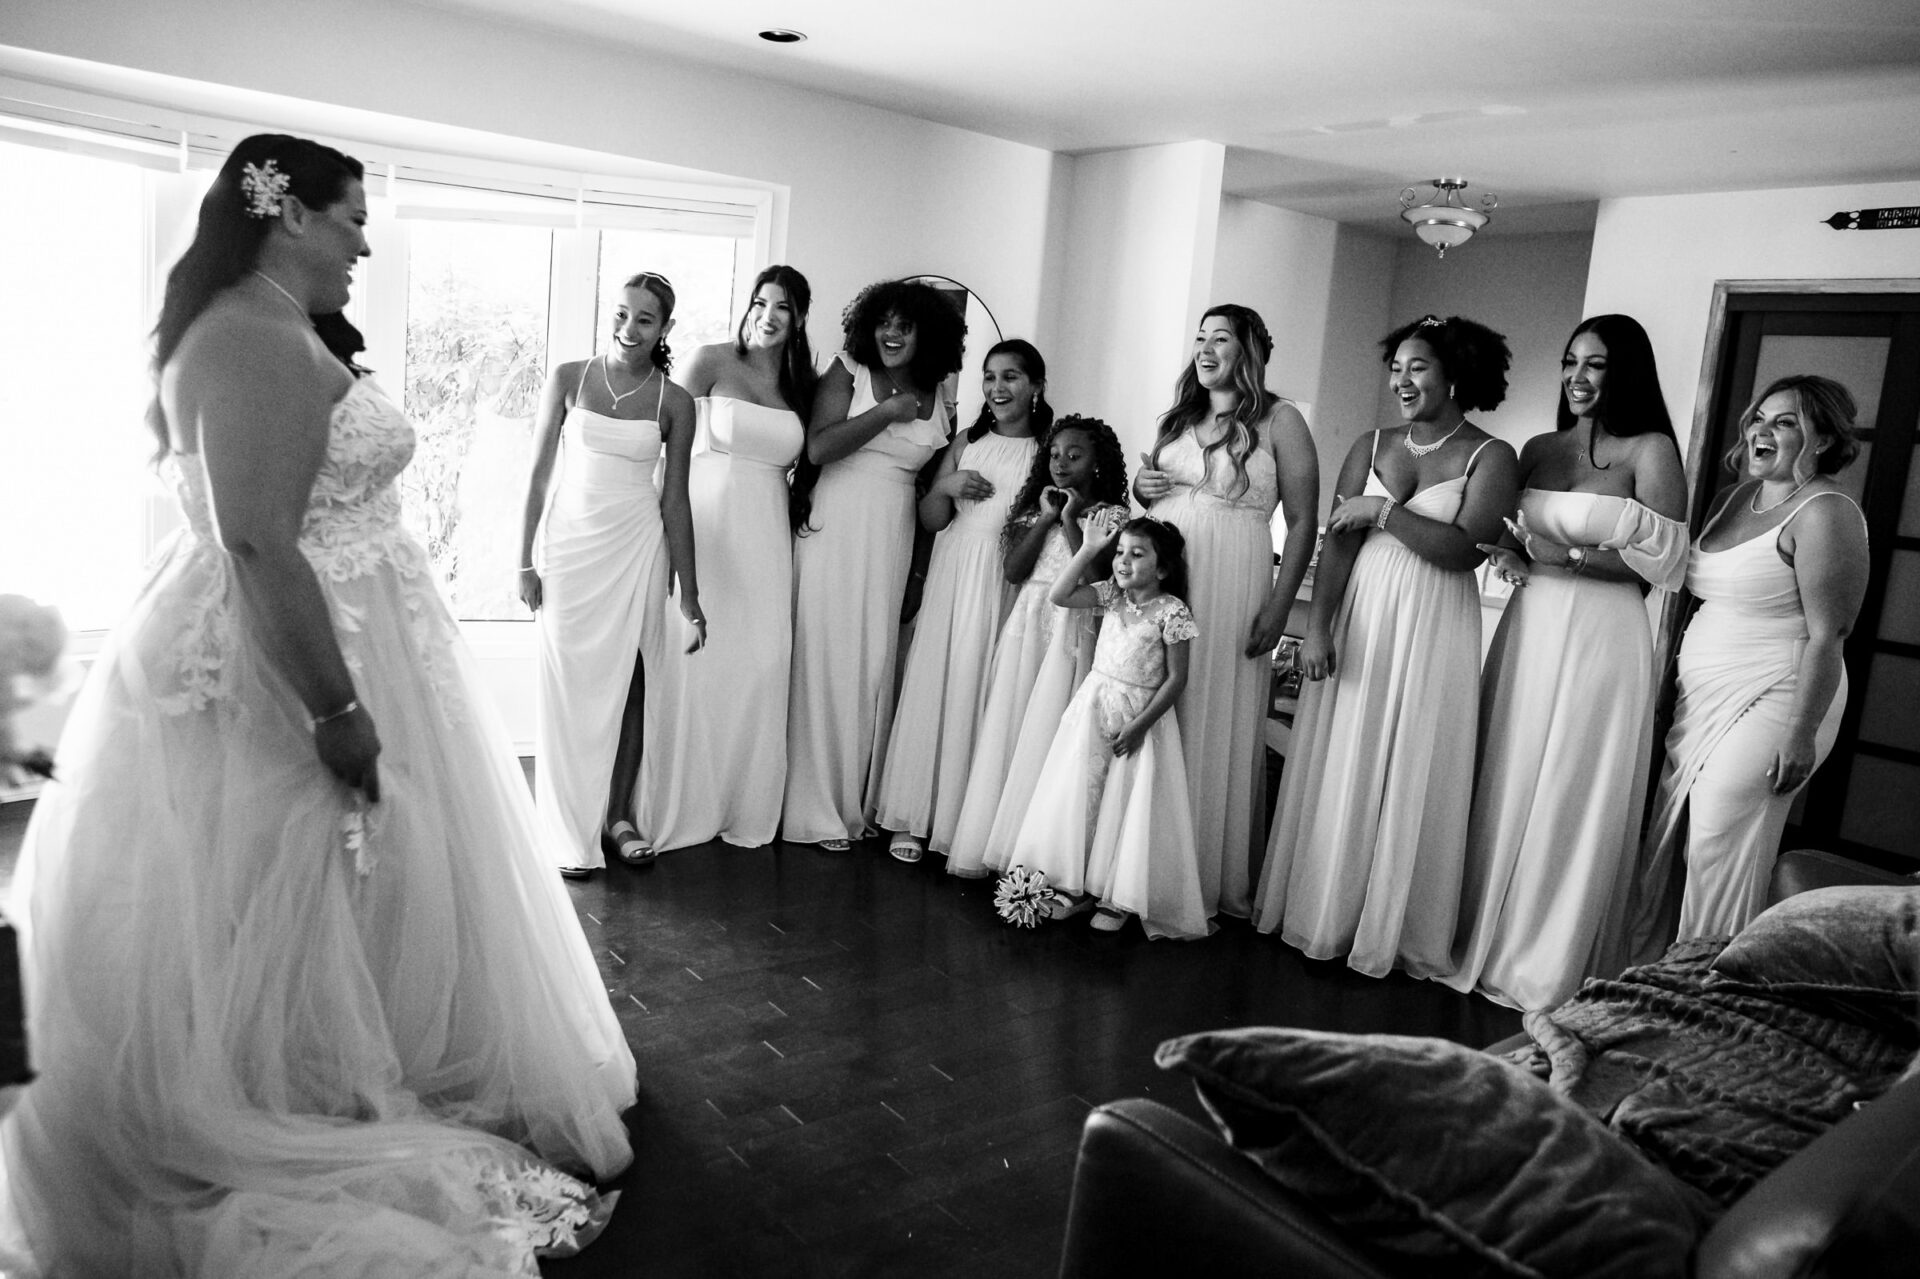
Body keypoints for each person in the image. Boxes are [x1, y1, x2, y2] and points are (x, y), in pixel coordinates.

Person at [0, 135, 633, 1274]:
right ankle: (298, 1094)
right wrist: (335, 708)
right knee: (289, 881)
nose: (363, 241)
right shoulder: (245, 332)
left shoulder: (278, 327)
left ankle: (361, 1066)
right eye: (351, 219)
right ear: (286, 213)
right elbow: (255, 538)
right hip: (294, 657)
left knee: (363, 884)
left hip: (363, 627)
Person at [1253, 314, 1518, 979]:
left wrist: (1384, 513)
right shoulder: (1369, 443)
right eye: (1395, 367)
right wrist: (1318, 628)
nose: (1400, 380)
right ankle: (1325, 909)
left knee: (1414, 761)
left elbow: (1462, 552)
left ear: (1455, 374)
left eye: (1417, 367)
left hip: (1434, 622)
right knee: (1348, 752)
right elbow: (1336, 540)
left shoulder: (1491, 455)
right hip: (1364, 614)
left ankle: (1395, 925)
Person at [1446, 315, 1688, 1010]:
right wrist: (1510, 552)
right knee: (1510, 765)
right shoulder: (1537, 448)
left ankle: (1548, 952)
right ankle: (1479, 927)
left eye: (1596, 365)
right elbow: (1497, 524)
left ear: (1626, 373)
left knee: (1572, 783)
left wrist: (1571, 557)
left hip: (1603, 635)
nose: (1577, 378)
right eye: (1569, 362)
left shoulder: (1651, 451)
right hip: (1533, 623)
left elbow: (1666, 566)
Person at [1636, 374, 1868, 943]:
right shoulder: (1734, 498)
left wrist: (1801, 733)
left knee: (1723, 834)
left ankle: (1715, 986)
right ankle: (1655, 975)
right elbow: (1696, 600)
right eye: (1759, 419)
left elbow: (1829, 634)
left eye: (1786, 422)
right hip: (1703, 695)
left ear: (1821, 439)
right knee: (1678, 834)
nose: (1763, 431)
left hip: (1780, 693)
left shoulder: (1825, 512)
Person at [1134, 304, 1318, 919]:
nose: (1205, 349)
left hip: (1234, 574)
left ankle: (1197, 874)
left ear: (1249, 351)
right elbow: (1155, 484)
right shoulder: (1181, 417)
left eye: (1221, 339)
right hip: (1170, 567)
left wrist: (1279, 603)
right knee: (1151, 695)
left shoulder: (1281, 419)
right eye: (1200, 338)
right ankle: (1135, 863)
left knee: (1210, 709)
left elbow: (1302, 523)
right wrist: (1145, 489)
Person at [518, 271, 703, 875]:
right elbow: (540, 474)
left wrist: (691, 594)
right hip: (571, 549)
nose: (629, 328)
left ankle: (618, 816)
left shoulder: (674, 401)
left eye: (645, 319)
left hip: (637, 550)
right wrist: (524, 559)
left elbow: (675, 498)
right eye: (622, 313)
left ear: (665, 328)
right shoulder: (569, 377)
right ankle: (566, 824)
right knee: (569, 684)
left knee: (631, 682)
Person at [636, 265, 815, 853]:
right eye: (761, 302)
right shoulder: (709, 361)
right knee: (699, 666)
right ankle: (682, 805)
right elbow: (665, 450)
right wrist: (663, 535)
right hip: (707, 526)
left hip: (766, 538)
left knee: (761, 665)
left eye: (783, 308)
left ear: (798, 319)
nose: (768, 315)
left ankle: (742, 804)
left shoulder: (800, 384)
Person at [781, 279, 965, 850]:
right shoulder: (849, 371)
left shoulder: (943, 396)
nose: (890, 333)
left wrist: (917, 572)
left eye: (904, 325)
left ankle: (856, 802)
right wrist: (886, 411)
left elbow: (930, 490)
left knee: (873, 667)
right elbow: (818, 447)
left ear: (926, 333)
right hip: (837, 524)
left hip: (895, 535)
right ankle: (813, 810)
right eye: (883, 322)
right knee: (825, 661)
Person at [873, 339, 1047, 863]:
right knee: (942, 682)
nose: (998, 388)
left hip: (1007, 578)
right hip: (955, 572)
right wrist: (945, 484)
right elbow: (931, 519)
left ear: (1036, 386)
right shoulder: (967, 440)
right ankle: (916, 816)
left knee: (989, 687)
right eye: (990, 377)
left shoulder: (1048, 449)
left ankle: (970, 822)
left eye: (1012, 377)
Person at [1006, 514, 1208, 939]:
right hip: (1093, 709)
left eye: (1137, 554)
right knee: (1084, 794)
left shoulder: (1172, 612)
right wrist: (1089, 548)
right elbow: (1060, 596)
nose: (1123, 562)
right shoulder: (1111, 597)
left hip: (1139, 717)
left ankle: (1116, 896)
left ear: (1163, 568)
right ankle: (1076, 884)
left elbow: (1177, 679)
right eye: (1120, 553)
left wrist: (1139, 725)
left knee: (1125, 799)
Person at [947, 415, 1130, 879]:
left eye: (1074, 456)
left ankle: (1038, 848)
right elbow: (1014, 570)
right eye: (1054, 454)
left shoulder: (1110, 518)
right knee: (1012, 725)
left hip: (1073, 629)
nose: (1061, 463)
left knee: (1053, 731)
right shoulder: (1035, 508)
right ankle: (997, 837)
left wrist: (1070, 520)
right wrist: (1048, 516)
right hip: (1027, 624)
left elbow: (1093, 578)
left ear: (1096, 465)